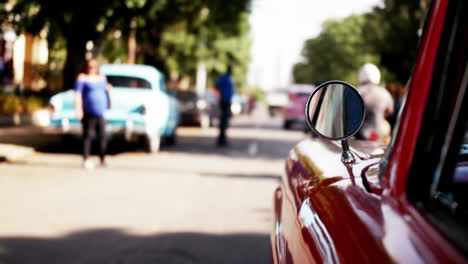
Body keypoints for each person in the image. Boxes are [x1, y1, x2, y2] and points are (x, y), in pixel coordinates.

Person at [74, 58, 112, 169]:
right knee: (87, 136)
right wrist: (78, 109)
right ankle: (86, 158)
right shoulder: (82, 78)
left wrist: (110, 102)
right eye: (89, 66)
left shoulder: (102, 78)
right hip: (88, 111)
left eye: (94, 66)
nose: (91, 68)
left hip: (100, 112)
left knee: (103, 136)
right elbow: (78, 94)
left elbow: (107, 91)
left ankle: (102, 158)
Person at [356, 63, 394, 143]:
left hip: (358, 135)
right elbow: (390, 111)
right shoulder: (384, 93)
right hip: (379, 134)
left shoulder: (357, 91)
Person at [216, 65, 235, 147]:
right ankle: (221, 139)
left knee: (225, 120)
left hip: (227, 101)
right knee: (223, 120)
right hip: (224, 101)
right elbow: (217, 85)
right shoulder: (224, 78)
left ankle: (223, 138)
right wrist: (222, 94)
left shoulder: (229, 78)